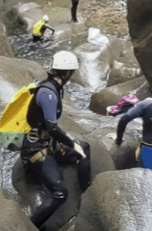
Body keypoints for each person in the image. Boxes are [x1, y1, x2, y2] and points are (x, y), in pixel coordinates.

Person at [21, 51, 91, 230]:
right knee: (60, 193)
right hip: (37, 149)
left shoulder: (55, 87)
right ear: (66, 73)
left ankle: (87, 193)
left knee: (85, 148)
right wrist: (71, 144)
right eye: (72, 72)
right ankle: (31, 226)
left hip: (48, 143)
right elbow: (52, 127)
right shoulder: (48, 93)